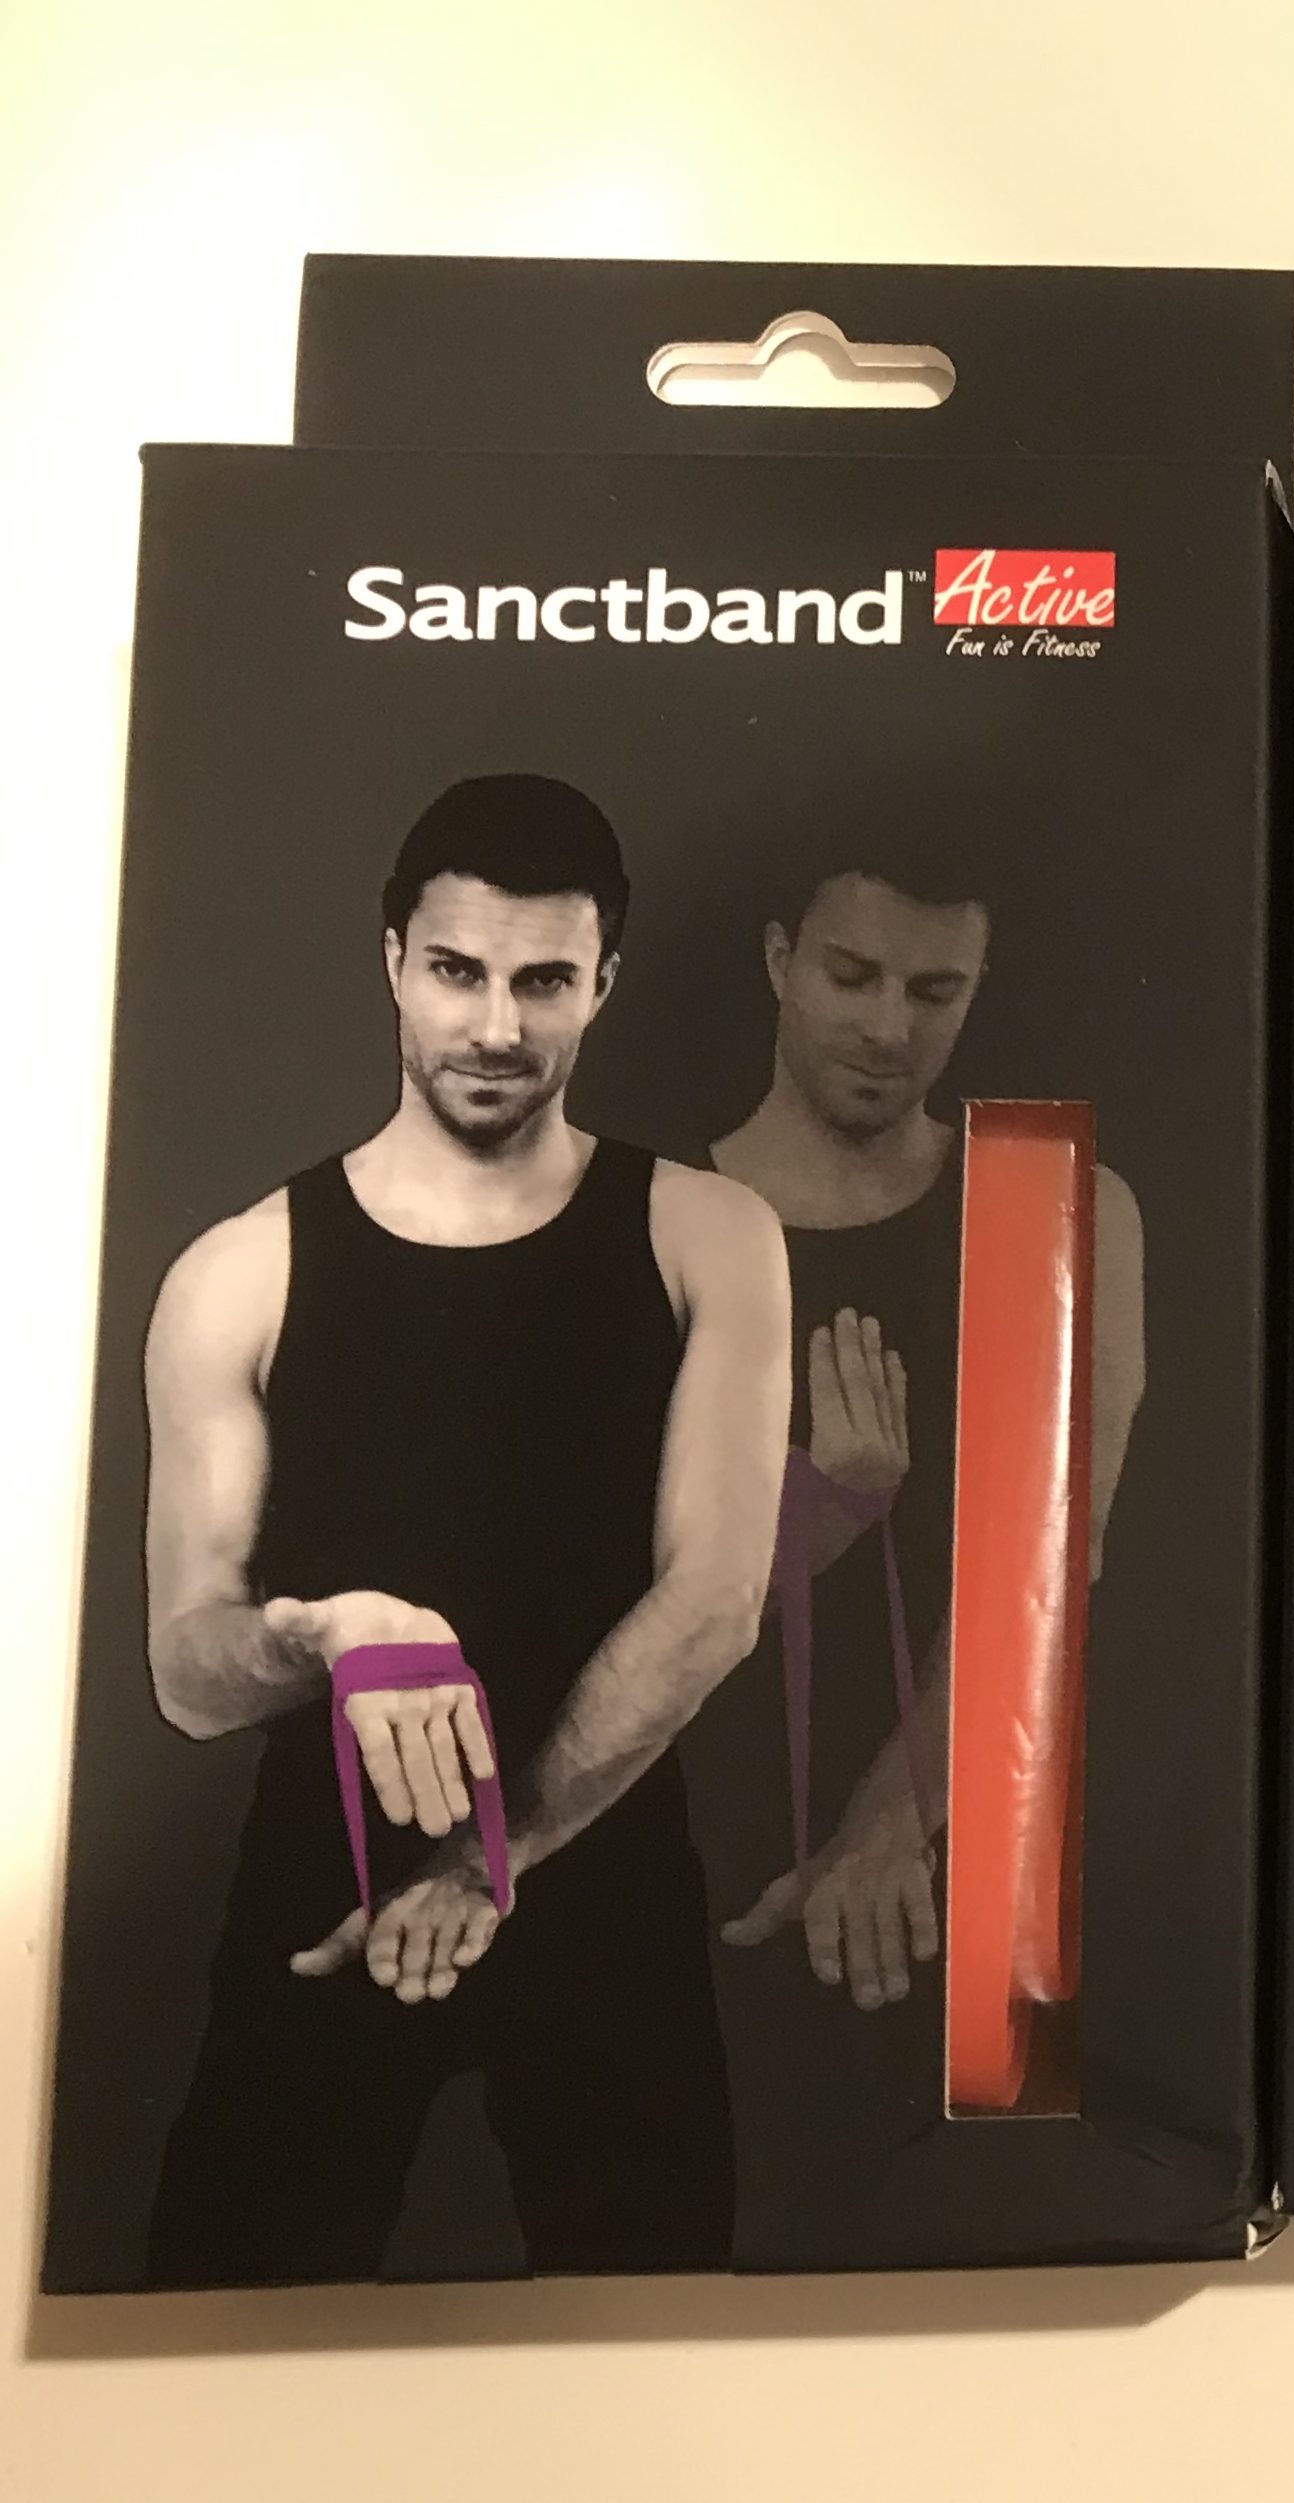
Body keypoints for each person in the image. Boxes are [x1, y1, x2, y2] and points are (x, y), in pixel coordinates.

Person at [136, 773, 790, 2282]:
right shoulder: (239, 1272)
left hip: (602, 1871)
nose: (496, 1025)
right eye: (456, 971)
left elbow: (715, 1595)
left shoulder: (705, 1234)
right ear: (392, 961)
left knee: (650, 2361)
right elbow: (186, 1672)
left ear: (603, 984)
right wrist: (327, 1629)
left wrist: (494, 1853)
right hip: (325, 1891)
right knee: (232, 2343)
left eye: (543, 980)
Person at [689, 850, 1145, 2248]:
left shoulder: (1050, 1197)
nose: (890, 1026)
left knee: (969, 2266)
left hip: (963, 1856)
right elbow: (604, 1596)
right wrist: (824, 1508)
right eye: (853, 975)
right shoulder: (662, 1209)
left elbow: (1047, 1570)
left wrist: (892, 1816)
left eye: (936, 990)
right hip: (687, 1849)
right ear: (779, 958)